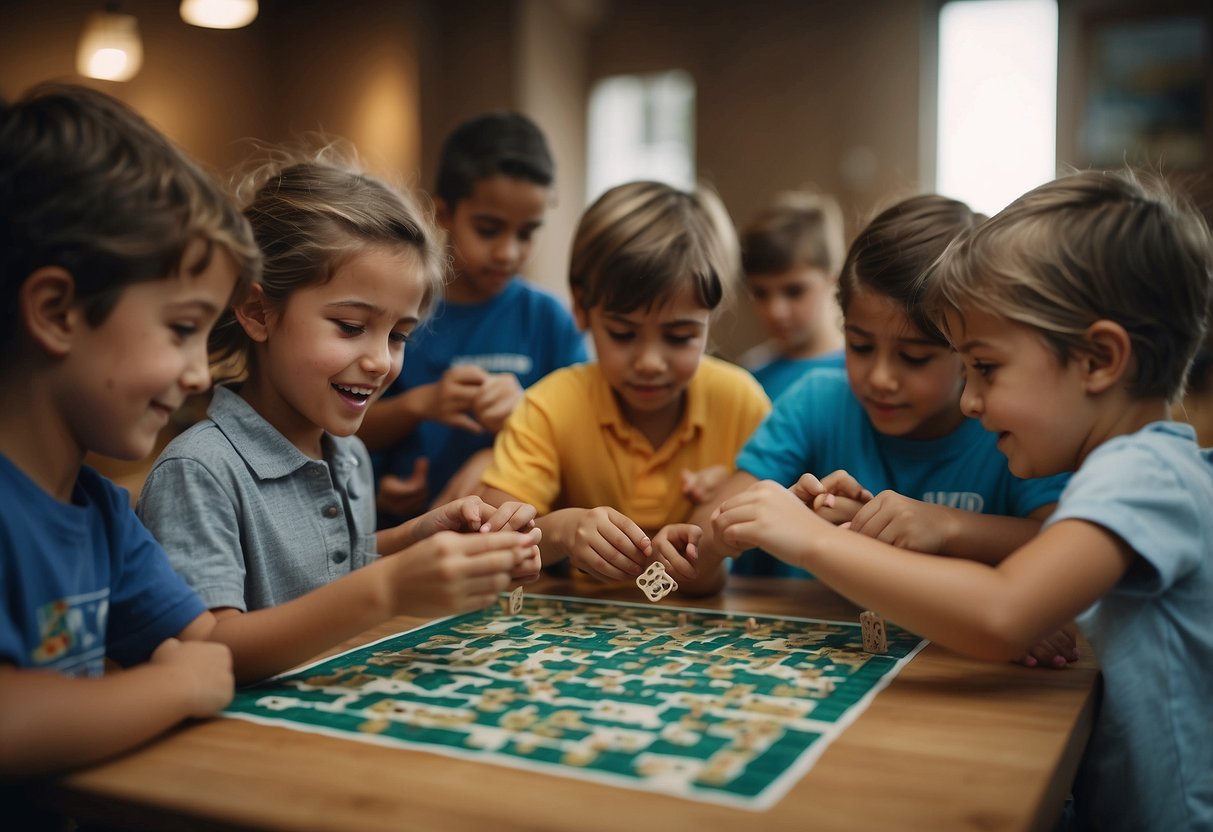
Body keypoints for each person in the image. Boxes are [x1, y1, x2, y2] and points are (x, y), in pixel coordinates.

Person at [710, 169, 1213, 832]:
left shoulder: (1145, 475)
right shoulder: (1133, 469)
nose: (971, 401)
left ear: (1096, 360)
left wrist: (814, 541)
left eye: (987, 368)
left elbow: (999, 614)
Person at [135, 149, 540, 674]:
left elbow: (331, 570)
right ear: (259, 311)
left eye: (398, 336)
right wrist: (389, 588)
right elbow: (204, 650)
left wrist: (419, 540)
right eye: (350, 326)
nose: (378, 361)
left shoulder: (349, 452)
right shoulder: (198, 470)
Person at [0, 84, 259, 778]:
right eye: (181, 329)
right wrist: (173, 685)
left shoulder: (103, 512)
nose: (201, 373)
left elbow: (208, 643)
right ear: (57, 312)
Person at [662, 195, 1069, 601]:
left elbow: (1063, 549)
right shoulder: (816, 402)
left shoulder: (1009, 424)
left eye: (914, 357)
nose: (880, 378)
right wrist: (730, 534)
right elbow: (688, 561)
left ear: (970, 350)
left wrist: (945, 528)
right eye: (859, 346)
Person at [478, 181, 771, 582]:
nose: (650, 363)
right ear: (581, 308)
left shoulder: (742, 404)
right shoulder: (551, 405)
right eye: (623, 333)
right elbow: (491, 536)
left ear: (710, 315)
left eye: (680, 337)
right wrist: (563, 530)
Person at [359, 112, 587, 524]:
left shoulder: (549, 320)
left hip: (517, 544)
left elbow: (587, 439)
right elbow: (343, 424)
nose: (507, 252)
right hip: (406, 536)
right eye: (488, 229)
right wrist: (418, 406)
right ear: (443, 213)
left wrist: (517, 431)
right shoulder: (405, 308)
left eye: (527, 233)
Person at [737, 190, 847, 401]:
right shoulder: (749, 377)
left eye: (794, 291)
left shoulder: (860, 375)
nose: (775, 311)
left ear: (833, 279)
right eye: (760, 293)